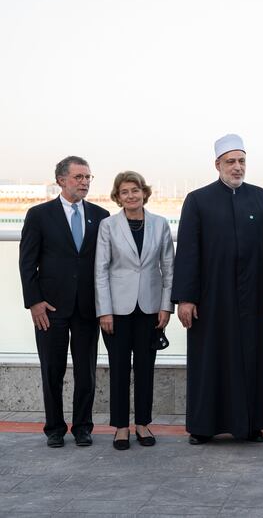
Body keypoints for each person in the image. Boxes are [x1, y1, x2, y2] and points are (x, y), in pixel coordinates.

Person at [171, 134, 263, 444]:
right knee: (210, 360)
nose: (237, 167)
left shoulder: (261, 197)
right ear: (217, 165)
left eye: (242, 161)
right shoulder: (197, 200)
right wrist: (185, 298)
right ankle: (203, 426)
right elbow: (187, 252)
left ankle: (251, 425)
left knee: (250, 359)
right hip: (211, 299)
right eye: (231, 162)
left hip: (252, 297)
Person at [19, 156, 110, 448]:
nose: (84, 183)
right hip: (50, 308)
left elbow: (105, 263)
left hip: (87, 307)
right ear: (61, 180)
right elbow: (27, 263)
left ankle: (83, 427)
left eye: (88, 178)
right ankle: (55, 429)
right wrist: (34, 302)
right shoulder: (38, 215)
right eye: (79, 177)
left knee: (86, 372)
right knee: (52, 370)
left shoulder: (101, 215)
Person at [95, 171, 174, 450]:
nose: (131, 196)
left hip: (151, 309)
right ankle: (121, 427)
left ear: (144, 192)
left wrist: (166, 307)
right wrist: (104, 311)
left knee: (145, 368)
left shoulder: (160, 224)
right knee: (118, 369)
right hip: (116, 310)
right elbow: (100, 271)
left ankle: (143, 424)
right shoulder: (108, 226)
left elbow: (169, 268)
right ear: (118, 197)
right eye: (125, 192)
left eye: (135, 190)